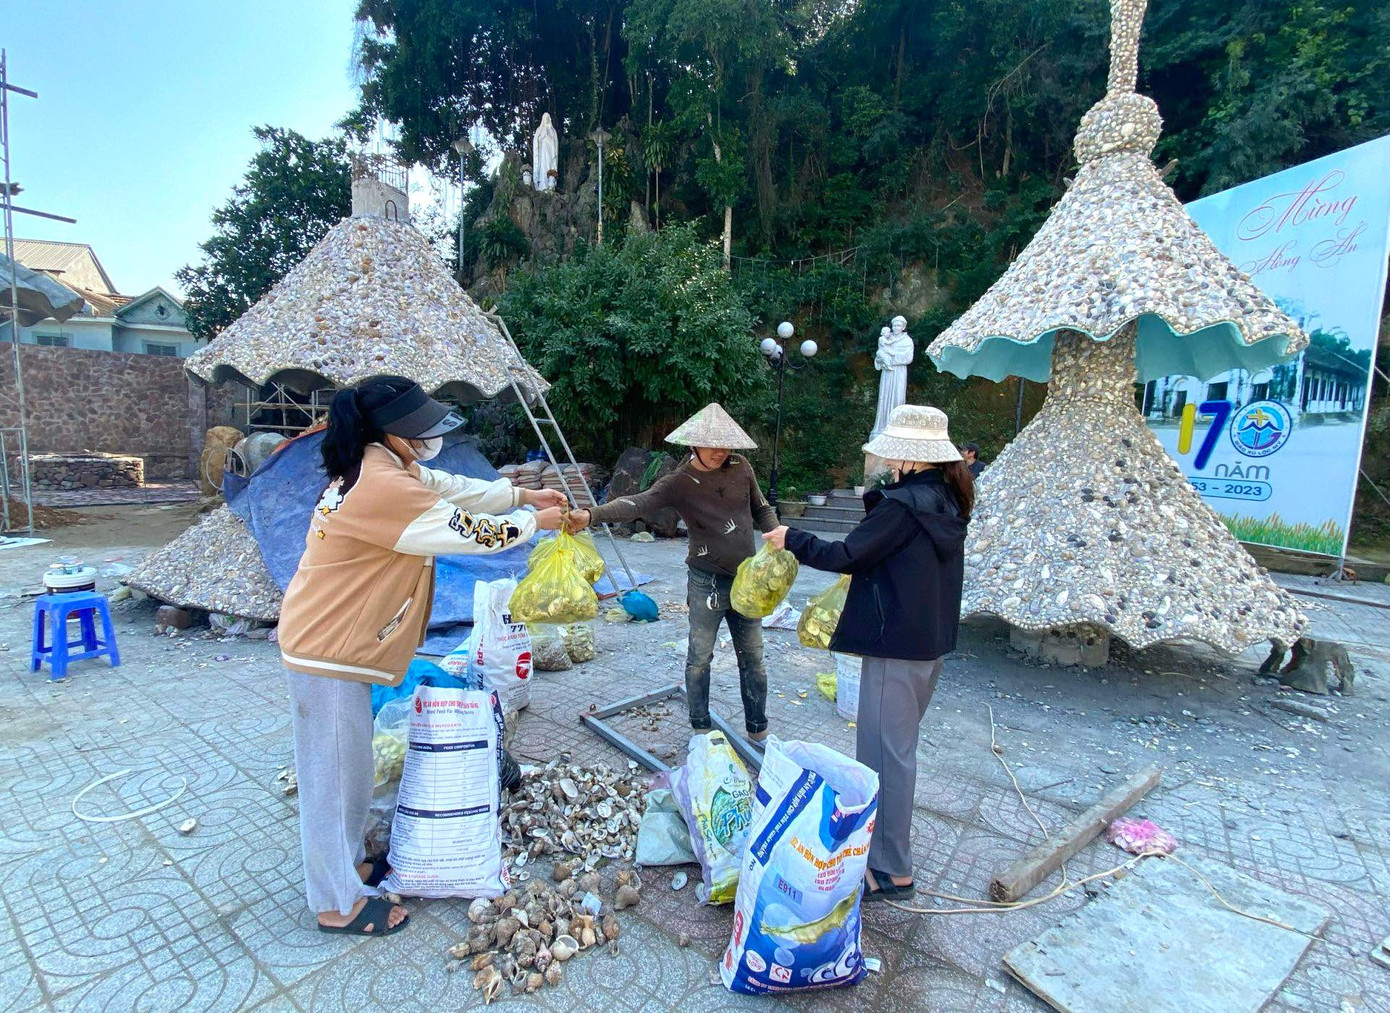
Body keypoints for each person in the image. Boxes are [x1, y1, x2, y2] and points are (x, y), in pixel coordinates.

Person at [278, 376, 566, 937]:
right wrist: (533, 522)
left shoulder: (387, 465)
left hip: (335, 641)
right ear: (391, 432)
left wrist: (521, 494)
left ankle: (347, 866)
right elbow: (466, 532)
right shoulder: (382, 486)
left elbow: (454, 488)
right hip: (327, 647)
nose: (430, 438)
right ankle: (336, 902)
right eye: (420, 430)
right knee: (331, 780)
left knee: (351, 768)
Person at [763, 404, 971, 902]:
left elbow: (846, 556)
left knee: (885, 758)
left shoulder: (905, 507)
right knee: (894, 752)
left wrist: (793, 538)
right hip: (928, 646)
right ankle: (880, 852)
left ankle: (892, 868)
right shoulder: (945, 499)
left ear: (908, 456)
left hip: (895, 645)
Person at [569, 403, 777, 742]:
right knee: (700, 659)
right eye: (712, 445)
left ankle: (759, 731)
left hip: (748, 580)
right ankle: (700, 729)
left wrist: (777, 536)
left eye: (726, 445)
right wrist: (591, 515)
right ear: (693, 444)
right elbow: (636, 503)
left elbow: (761, 508)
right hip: (706, 581)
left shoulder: (741, 467)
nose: (720, 452)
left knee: (753, 658)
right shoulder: (680, 482)